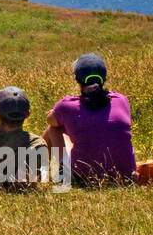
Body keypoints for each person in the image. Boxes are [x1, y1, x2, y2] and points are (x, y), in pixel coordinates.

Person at [44, 53, 138, 184]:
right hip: (126, 178)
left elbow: (50, 120)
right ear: (104, 79)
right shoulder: (122, 100)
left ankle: (56, 174)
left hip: (84, 178)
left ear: (77, 79)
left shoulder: (66, 106)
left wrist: (58, 114)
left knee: (54, 129)